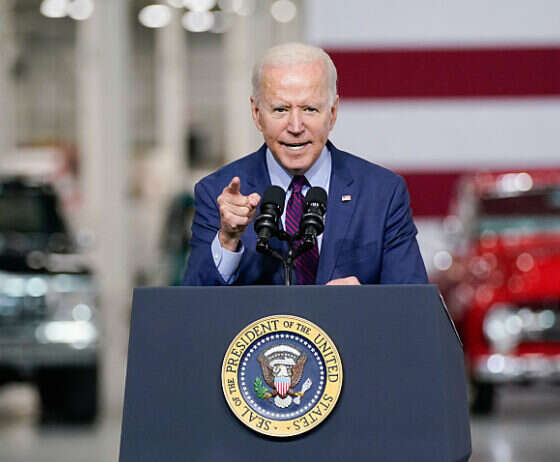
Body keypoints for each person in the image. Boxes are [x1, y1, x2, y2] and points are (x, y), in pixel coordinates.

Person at [182, 42, 428, 286]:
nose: (296, 127)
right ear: (257, 114)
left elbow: (412, 303)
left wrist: (362, 303)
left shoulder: (382, 194)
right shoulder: (215, 194)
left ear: (332, 113)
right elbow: (194, 306)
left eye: (310, 109)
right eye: (280, 110)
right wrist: (227, 240)